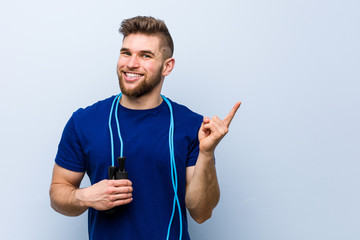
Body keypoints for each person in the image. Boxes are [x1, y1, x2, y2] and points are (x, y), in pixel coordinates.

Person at [49, 16, 240, 240]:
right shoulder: (84, 121)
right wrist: (84, 197)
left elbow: (201, 212)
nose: (131, 63)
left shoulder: (192, 126)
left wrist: (207, 153)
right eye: (126, 52)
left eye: (145, 55)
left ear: (167, 66)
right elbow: (58, 193)